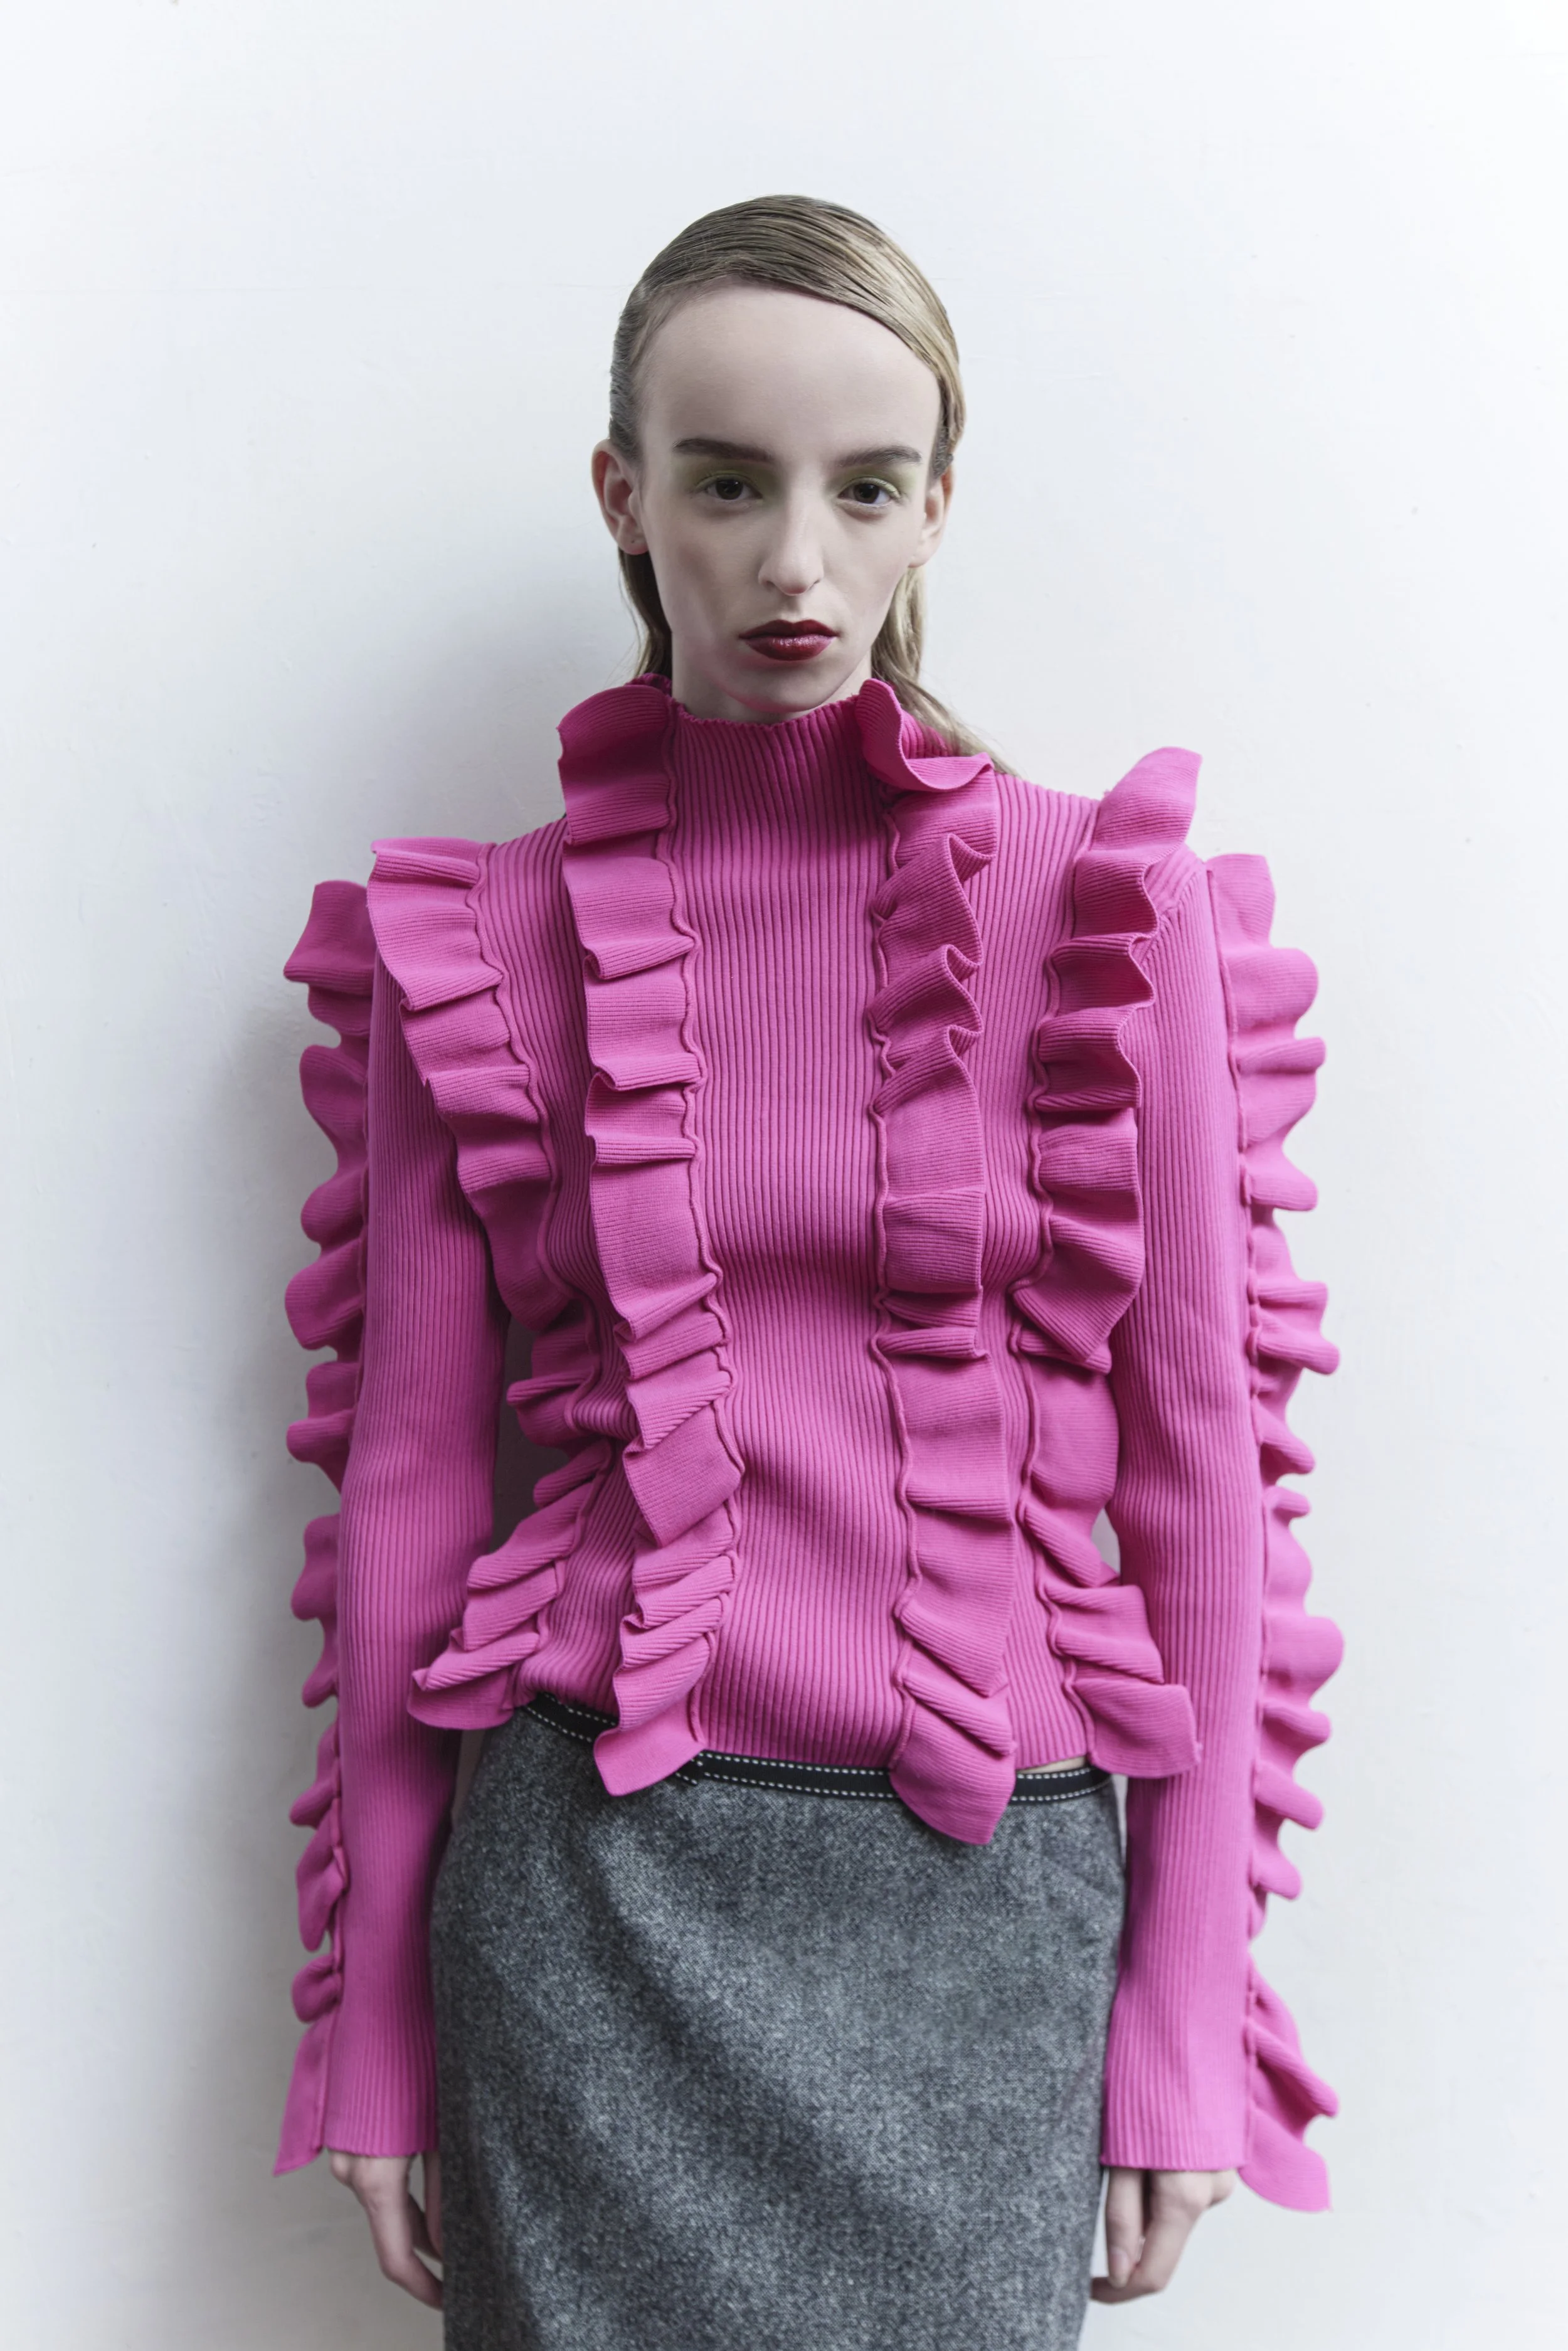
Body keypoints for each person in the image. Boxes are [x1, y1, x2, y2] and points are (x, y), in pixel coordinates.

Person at [274, 194, 1341, 2349]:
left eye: (863, 491)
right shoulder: (476, 939)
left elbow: (1200, 1477)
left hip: (986, 1887)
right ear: (623, 495)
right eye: (726, 482)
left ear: (936, 498)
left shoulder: (1102, 912)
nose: (793, 562)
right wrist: (373, 2020)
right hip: (587, 1899)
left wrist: (1184, 2021)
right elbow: (402, 1496)